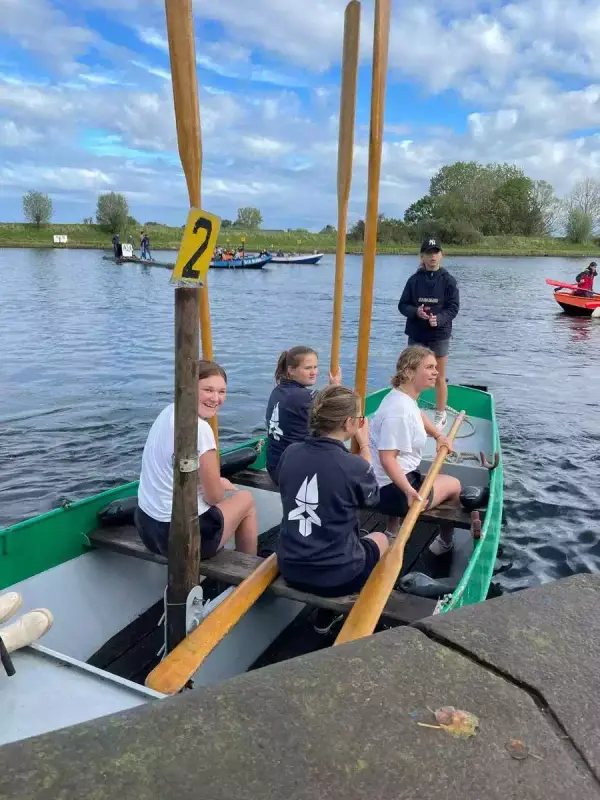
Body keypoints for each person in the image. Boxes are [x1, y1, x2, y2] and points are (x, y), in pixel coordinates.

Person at [276, 385, 389, 632]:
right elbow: (371, 499)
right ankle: (359, 611)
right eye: (359, 419)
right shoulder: (354, 466)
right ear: (349, 423)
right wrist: (366, 448)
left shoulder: (290, 452)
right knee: (382, 539)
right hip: (338, 576)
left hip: (290, 567)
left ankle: (326, 614)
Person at [135, 360, 258, 559]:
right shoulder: (200, 429)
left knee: (220, 492)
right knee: (246, 499)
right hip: (181, 539)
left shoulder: (167, 413)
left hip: (147, 528)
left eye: (222, 392)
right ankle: (248, 570)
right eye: (208, 390)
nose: (216, 398)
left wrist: (217, 482)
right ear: (190, 389)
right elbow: (214, 497)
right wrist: (218, 485)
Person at [369, 345, 462, 556]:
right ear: (409, 372)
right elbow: (387, 459)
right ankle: (445, 542)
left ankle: (392, 531)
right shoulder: (398, 412)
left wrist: (438, 435)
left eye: (435, 367)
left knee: (420, 474)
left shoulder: (401, 397)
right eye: (429, 367)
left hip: (387, 483)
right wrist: (409, 491)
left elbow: (418, 414)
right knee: (454, 485)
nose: (436, 373)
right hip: (394, 492)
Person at [398, 237, 459, 429]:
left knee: (438, 375)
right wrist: (416, 312)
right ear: (422, 257)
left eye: (436, 252)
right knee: (410, 374)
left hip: (439, 334)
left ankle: (440, 415)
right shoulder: (414, 280)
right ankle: (409, 411)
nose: (433, 256)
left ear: (441, 255)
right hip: (417, 334)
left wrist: (438, 319)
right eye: (429, 253)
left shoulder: (448, 280)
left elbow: (453, 308)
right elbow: (402, 305)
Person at [265, 346, 341, 484]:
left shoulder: (279, 390)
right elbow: (339, 407)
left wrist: (331, 389)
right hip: (292, 471)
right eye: (308, 368)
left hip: (274, 465)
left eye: (315, 367)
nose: (314, 373)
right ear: (291, 370)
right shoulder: (301, 397)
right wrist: (335, 388)